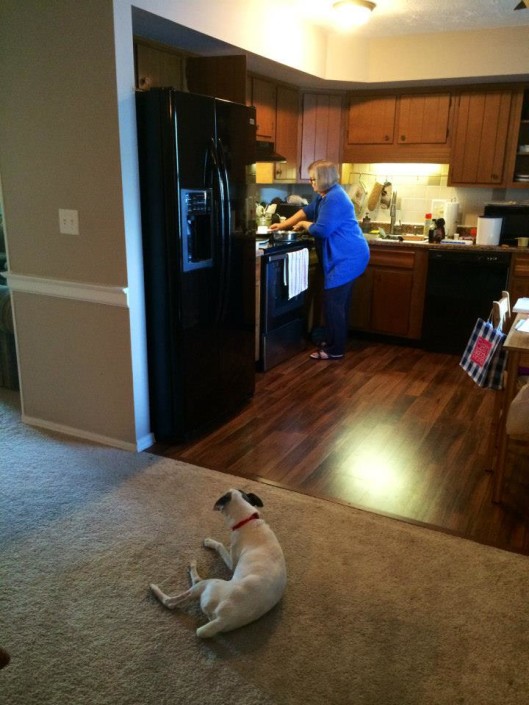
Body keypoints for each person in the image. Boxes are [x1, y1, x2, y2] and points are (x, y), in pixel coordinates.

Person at [269, 159, 370, 360]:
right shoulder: (326, 196)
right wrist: (282, 225)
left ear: (325, 179)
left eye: (314, 179)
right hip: (348, 255)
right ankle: (334, 340)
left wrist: (305, 225)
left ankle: (335, 349)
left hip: (347, 258)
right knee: (338, 304)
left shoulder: (334, 198)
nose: (311, 183)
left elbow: (321, 230)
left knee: (334, 303)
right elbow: (305, 211)